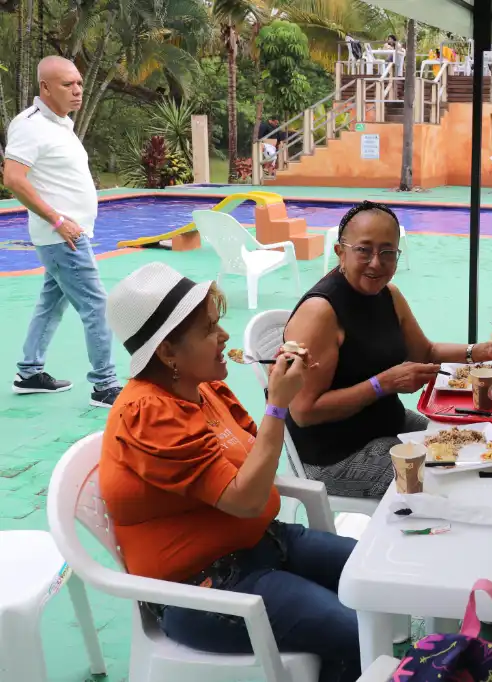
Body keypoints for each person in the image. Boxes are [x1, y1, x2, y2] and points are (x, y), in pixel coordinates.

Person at [99, 262, 361, 682]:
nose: (223, 336)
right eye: (208, 329)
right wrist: (278, 404)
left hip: (264, 543)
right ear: (167, 352)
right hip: (205, 590)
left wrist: (281, 391)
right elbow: (246, 498)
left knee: (376, 576)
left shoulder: (203, 387)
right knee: (354, 632)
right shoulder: (148, 414)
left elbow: (256, 456)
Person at [284, 201, 492, 498]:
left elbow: (425, 353)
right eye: (364, 250)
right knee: (456, 484)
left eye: (387, 252)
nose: (376, 263)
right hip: (336, 456)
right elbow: (303, 412)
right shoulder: (320, 312)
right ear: (340, 252)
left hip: (387, 425)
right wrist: (382, 385)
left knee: (482, 446)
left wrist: (480, 352)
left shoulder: (388, 295)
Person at [4, 56, 121, 407]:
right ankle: (105, 385)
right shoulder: (30, 125)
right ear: (45, 87)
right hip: (61, 236)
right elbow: (13, 179)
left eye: (79, 83)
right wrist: (57, 220)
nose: (77, 90)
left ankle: (29, 372)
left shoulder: (61, 124)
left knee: (50, 303)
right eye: (68, 84)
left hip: (69, 234)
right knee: (97, 305)